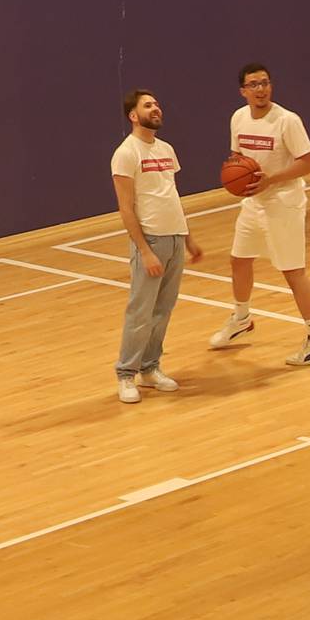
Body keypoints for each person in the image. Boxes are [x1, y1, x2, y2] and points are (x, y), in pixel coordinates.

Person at [211, 61, 310, 367]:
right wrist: (236, 173)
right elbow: (237, 156)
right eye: (254, 84)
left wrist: (270, 179)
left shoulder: (287, 120)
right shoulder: (238, 118)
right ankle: (241, 317)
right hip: (254, 202)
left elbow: (307, 163)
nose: (261, 89)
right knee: (239, 260)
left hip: (284, 201)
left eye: (265, 83)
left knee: (293, 272)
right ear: (243, 91)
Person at [111, 88, 188, 404]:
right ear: (133, 115)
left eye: (157, 103)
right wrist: (144, 249)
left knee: (163, 310)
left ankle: (150, 367)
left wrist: (188, 237)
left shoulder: (167, 149)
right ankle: (125, 374)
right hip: (152, 240)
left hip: (175, 237)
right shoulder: (126, 153)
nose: (156, 108)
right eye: (148, 105)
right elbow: (126, 207)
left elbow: (171, 195)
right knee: (140, 311)